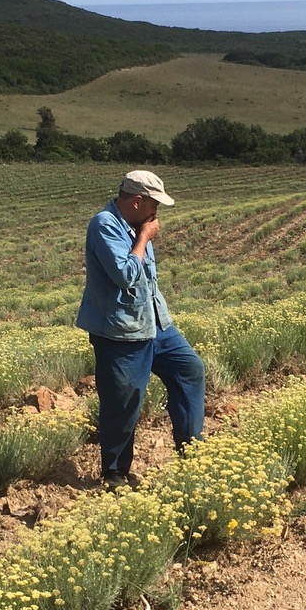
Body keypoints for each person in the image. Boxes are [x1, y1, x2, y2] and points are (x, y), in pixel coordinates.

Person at [76, 170, 206, 491]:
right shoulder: (105, 225)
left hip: (155, 324)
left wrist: (142, 235)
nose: (157, 212)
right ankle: (115, 474)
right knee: (124, 401)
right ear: (137, 201)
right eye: (153, 204)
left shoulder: (136, 226)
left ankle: (192, 454)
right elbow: (125, 274)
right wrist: (144, 238)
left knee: (190, 370)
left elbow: (149, 280)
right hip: (121, 332)